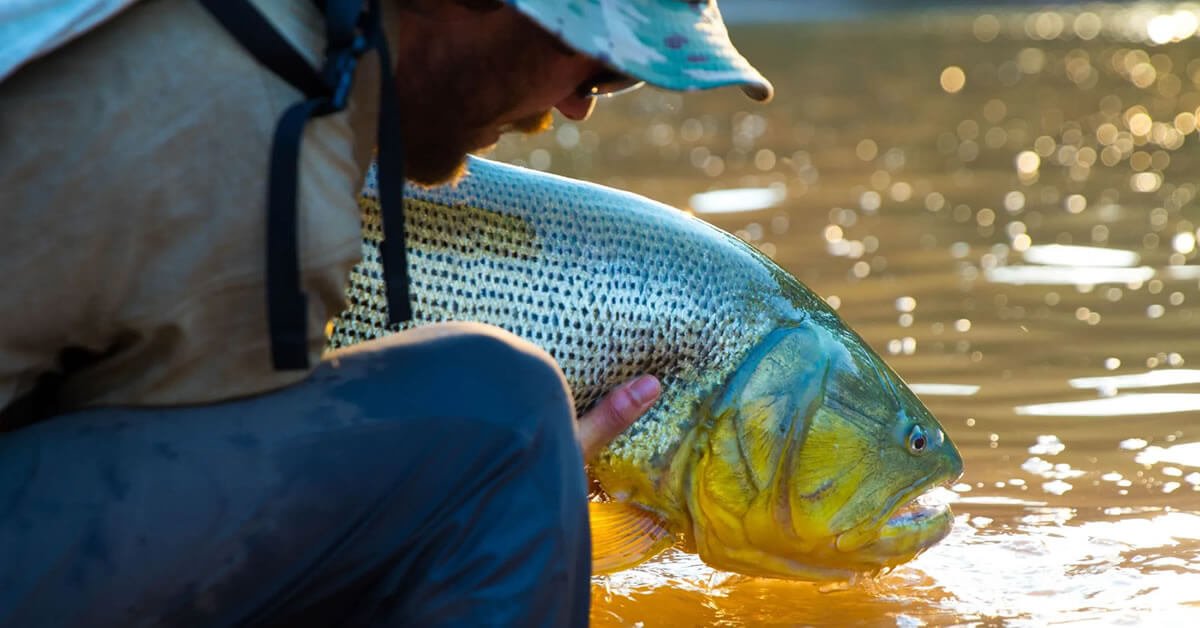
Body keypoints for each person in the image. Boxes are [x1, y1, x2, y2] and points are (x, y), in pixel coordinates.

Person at [0, 0, 772, 624]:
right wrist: (501, 503)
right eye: (600, 68)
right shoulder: (264, 142)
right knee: (502, 423)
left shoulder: (237, 34)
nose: (577, 108)